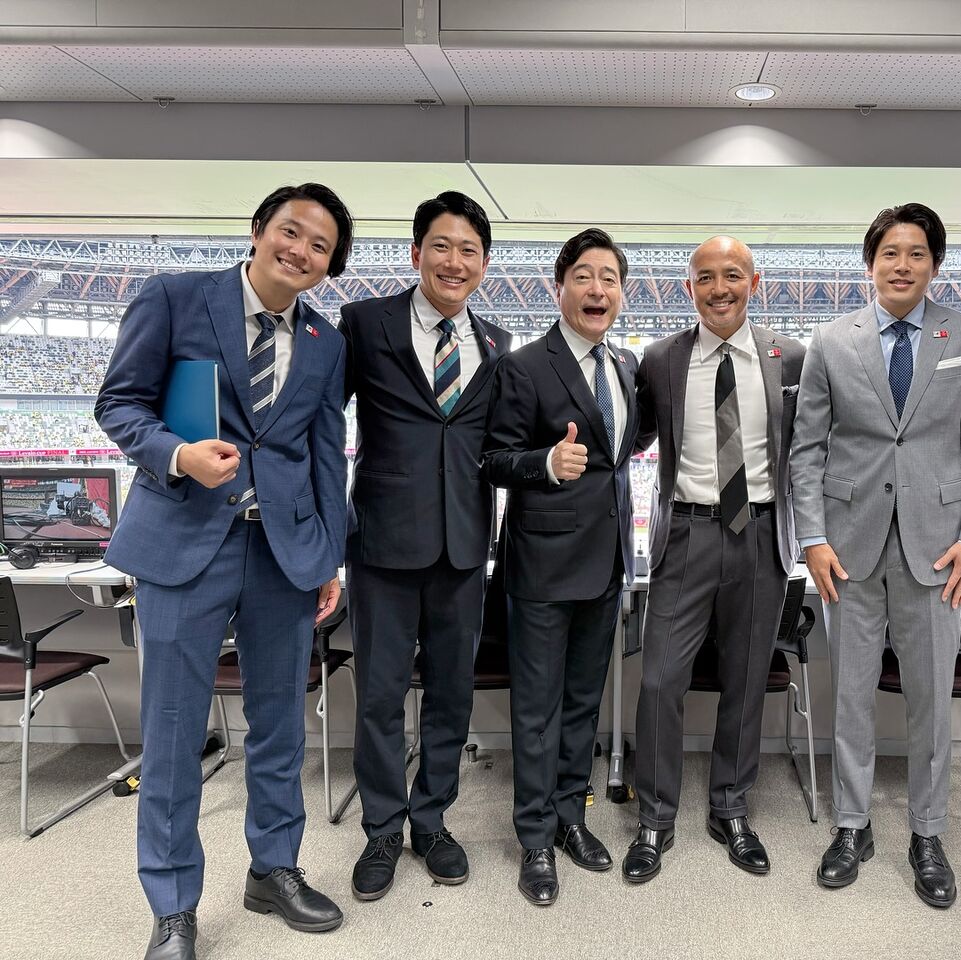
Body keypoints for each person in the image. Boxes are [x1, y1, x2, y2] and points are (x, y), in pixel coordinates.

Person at [95, 183, 354, 960]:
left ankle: (272, 871)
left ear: (329, 265)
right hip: (184, 546)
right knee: (175, 732)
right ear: (259, 229)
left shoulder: (324, 340)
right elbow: (119, 403)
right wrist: (178, 454)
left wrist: (328, 555)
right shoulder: (175, 298)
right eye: (291, 231)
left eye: (319, 246)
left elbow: (325, 453)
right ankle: (174, 906)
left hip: (283, 555)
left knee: (279, 727)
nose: (301, 251)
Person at [790, 202, 961, 908]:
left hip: (938, 550)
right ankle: (851, 826)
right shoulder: (832, 339)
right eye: (890, 253)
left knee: (930, 701)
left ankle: (928, 833)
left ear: (934, 265)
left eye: (916, 254)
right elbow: (807, 449)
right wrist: (812, 538)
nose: (902, 265)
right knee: (850, 693)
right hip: (847, 547)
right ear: (870, 263)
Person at [340, 191, 512, 899]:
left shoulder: (495, 341)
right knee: (380, 696)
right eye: (441, 245)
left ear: (484, 264)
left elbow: (494, 446)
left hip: (463, 548)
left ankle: (432, 820)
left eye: (469, 250)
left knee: (451, 695)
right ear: (416, 254)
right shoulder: (364, 323)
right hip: (382, 544)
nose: (454, 261)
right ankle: (382, 828)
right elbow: (320, 421)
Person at [625, 236, 804, 882]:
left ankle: (731, 808)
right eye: (705, 277)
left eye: (732, 276)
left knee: (747, 681)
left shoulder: (792, 357)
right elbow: (633, 436)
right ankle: (654, 818)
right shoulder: (661, 359)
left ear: (755, 284)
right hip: (686, 533)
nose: (719, 288)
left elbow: (809, 451)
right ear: (689, 288)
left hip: (760, 533)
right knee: (658, 681)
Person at [481, 228, 638, 907]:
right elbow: (492, 458)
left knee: (582, 704)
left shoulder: (625, 366)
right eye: (584, 276)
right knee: (539, 710)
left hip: (605, 563)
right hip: (542, 567)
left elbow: (621, 450)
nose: (597, 289)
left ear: (621, 293)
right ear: (559, 288)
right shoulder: (524, 365)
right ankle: (536, 838)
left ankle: (573, 816)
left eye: (610, 278)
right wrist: (544, 463)